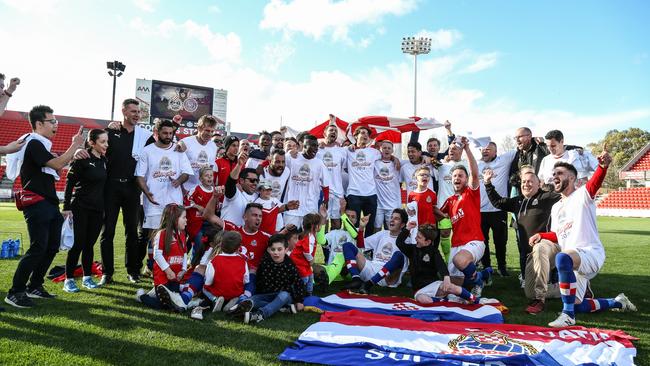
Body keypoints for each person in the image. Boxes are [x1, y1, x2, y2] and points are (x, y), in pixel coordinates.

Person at [530, 150, 637, 327]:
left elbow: (594, 184)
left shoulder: (582, 194)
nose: (555, 176)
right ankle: (618, 302)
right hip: (573, 261)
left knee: (562, 257)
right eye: (554, 174)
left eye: (560, 173)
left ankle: (567, 315)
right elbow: (557, 234)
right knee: (578, 305)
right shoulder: (556, 207)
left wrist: (603, 167)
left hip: (590, 253)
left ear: (572, 178)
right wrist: (541, 235)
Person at [4, 105, 84, 309]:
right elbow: (57, 164)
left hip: (48, 202)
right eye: (52, 121)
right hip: (37, 201)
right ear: (39, 124)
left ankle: (35, 285)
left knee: (51, 246)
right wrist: (74, 145)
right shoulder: (34, 143)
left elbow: (57, 163)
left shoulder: (42, 144)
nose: (56, 124)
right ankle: (15, 292)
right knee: (38, 247)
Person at [484, 167, 562, 314]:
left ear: (539, 184)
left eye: (530, 182)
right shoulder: (518, 201)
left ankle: (540, 300)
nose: (526, 184)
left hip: (547, 249)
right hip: (529, 255)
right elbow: (498, 202)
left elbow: (566, 197)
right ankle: (566, 288)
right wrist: (488, 184)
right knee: (529, 293)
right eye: (524, 182)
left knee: (539, 249)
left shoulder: (547, 198)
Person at [99, 98, 153, 286]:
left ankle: (133, 271)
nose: (137, 115)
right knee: (108, 232)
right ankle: (107, 272)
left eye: (138, 112)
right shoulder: (111, 132)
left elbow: (163, 144)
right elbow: (96, 148)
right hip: (111, 187)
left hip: (132, 188)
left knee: (132, 231)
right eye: (133, 111)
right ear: (124, 112)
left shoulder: (145, 135)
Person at [136, 119, 193, 278]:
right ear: (156, 133)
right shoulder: (147, 151)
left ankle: (172, 268)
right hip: (154, 202)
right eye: (165, 133)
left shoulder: (178, 150)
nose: (168, 136)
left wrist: (179, 180)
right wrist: (147, 193)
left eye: (171, 133)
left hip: (174, 203)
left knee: (175, 236)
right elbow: (139, 176)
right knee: (154, 238)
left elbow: (186, 172)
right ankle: (152, 268)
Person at [440, 136, 491, 297]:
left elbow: (475, 174)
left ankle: (480, 278)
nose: (457, 178)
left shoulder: (471, 193)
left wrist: (467, 149)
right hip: (456, 245)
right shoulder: (449, 201)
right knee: (453, 294)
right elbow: (439, 214)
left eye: (461, 175)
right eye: (455, 176)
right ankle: (481, 276)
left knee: (459, 261)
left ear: (466, 179)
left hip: (474, 241)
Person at [61, 129, 109, 293]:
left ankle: (87, 277)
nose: (106, 145)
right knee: (78, 244)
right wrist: (66, 207)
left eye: (106, 141)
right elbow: (69, 184)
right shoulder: (81, 159)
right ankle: (68, 280)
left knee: (89, 244)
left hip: (97, 210)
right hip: (80, 207)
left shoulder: (104, 160)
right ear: (92, 143)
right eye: (102, 142)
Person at [140, 204, 206, 312]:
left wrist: (183, 270)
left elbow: (185, 254)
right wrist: (168, 271)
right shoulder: (162, 234)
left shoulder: (183, 234)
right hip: (163, 278)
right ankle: (143, 297)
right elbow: (157, 255)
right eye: (184, 217)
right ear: (175, 219)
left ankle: (153, 295)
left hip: (175, 278)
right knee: (166, 305)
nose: (187, 220)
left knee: (173, 300)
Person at [396, 223, 477, 304]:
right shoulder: (412, 249)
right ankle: (448, 300)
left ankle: (475, 300)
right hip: (419, 290)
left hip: (434, 284)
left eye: (419, 237)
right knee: (424, 300)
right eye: (417, 235)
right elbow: (399, 243)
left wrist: (446, 277)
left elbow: (441, 265)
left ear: (428, 242)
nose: (415, 238)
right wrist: (407, 229)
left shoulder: (433, 252)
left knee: (451, 287)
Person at [238, 234, 307, 324]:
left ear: (286, 250)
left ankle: (260, 314)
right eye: (273, 249)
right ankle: (282, 308)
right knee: (251, 300)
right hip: (266, 295)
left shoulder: (290, 264)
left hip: (283, 296)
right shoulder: (264, 262)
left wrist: (299, 301)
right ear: (268, 250)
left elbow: (298, 283)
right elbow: (259, 280)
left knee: (284, 295)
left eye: (279, 249)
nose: (276, 252)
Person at [341, 209, 409, 294]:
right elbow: (361, 245)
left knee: (399, 255)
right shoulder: (383, 233)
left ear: (402, 224)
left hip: (388, 277)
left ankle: (368, 284)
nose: (392, 220)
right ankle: (356, 279)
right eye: (391, 217)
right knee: (347, 245)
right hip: (371, 268)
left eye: (396, 218)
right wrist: (362, 227)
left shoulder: (407, 240)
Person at [346, 126, 397, 236]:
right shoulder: (348, 151)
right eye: (363, 133)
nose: (365, 135)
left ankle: (368, 251)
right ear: (355, 136)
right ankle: (354, 250)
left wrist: (395, 158)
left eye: (367, 135)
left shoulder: (374, 152)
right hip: (354, 194)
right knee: (353, 225)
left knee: (370, 226)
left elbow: (387, 155)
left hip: (371, 195)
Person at [477, 142, 517, 277]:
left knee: (501, 241)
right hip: (480, 211)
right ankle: (487, 267)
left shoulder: (504, 159)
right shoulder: (476, 164)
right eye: (482, 149)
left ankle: (502, 266)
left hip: (498, 209)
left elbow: (521, 146)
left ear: (495, 152)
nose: (484, 151)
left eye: (488, 149)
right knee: (483, 242)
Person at [284, 134, 329, 229]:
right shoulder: (292, 158)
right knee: (288, 237)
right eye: (312, 145)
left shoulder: (319, 164)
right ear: (303, 146)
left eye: (316, 146)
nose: (316, 148)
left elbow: (325, 184)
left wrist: (326, 200)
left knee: (309, 239)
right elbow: (275, 164)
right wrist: (288, 154)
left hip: (310, 209)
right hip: (292, 209)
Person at [201, 230, 252, 313]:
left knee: (204, 289)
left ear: (221, 244)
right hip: (236, 292)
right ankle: (232, 301)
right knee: (237, 292)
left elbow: (208, 281)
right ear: (239, 247)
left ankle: (215, 300)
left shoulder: (214, 260)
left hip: (218, 292)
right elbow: (246, 280)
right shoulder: (243, 261)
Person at [317, 124, 347, 229]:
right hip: (323, 191)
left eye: (335, 131)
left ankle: (334, 245)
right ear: (324, 133)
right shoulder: (317, 150)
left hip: (338, 192)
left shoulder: (342, 150)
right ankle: (324, 245)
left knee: (336, 223)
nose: (333, 132)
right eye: (331, 130)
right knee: (322, 222)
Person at [177, 114, 218, 192]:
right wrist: (182, 188)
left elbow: (210, 170)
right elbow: (178, 167)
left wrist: (211, 190)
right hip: (186, 189)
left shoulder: (213, 146)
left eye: (212, 131)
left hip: (203, 190)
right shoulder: (186, 142)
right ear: (199, 128)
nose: (209, 134)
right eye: (207, 130)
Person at [185, 167, 215, 263]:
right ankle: (193, 263)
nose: (209, 177)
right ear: (201, 179)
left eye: (211, 175)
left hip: (209, 222)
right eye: (206, 176)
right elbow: (186, 201)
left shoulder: (215, 191)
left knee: (206, 245)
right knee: (198, 242)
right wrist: (197, 206)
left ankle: (201, 263)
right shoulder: (196, 189)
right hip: (196, 222)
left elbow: (219, 204)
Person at [508, 127, 549, 196]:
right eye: (515, 138)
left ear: (529, 136)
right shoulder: (518, 154)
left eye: (520, 137)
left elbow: (556, 153)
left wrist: (543, 144)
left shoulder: (539, 147)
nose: (517, 140)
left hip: (541, 193)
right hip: (525, 193)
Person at [221, 152, 259, 226]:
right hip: (228, 235)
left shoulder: (257, 197)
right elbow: (230, 182)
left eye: (256, 181)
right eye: (251, 180)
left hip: (244, 236)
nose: (255, 183)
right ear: (241, 181)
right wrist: (239, 165)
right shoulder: (235, 193)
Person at [290, 213, 323, 295]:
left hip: (304, 262)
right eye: (319, 224)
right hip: (298, 261)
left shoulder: (310, 236)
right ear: (313, 226)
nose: (321, 226)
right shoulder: (308, 237)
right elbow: (306, 252)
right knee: (304, 278)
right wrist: (311, 260)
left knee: (310, 276)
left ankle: (309, 293)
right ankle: (296, 292)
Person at [374, 140, 402, 232]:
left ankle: (390, 246)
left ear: (392, 150)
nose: (387, 150)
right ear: (380, 149)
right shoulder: (375, 163)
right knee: (377, 228)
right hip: (378, 204)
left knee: (391, 229)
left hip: (392, 204)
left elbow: (414, 161)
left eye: (389, 148)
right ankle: (376, 246)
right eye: (384, 148)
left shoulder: (398, 164)